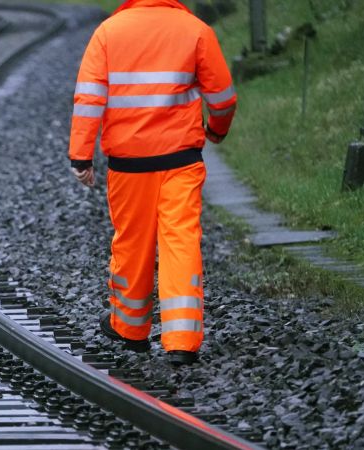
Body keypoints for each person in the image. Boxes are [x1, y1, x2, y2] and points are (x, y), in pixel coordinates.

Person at [69, 0, 236, 365]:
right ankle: (181, 341)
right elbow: (223, 96)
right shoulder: (195, 30)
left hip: (128, 165)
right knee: (181, 242)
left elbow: (89, 99)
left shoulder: (109, 32)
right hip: (181, 160)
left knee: (131, 242)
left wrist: (81, 155)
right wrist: (216, 131)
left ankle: (130, 328)